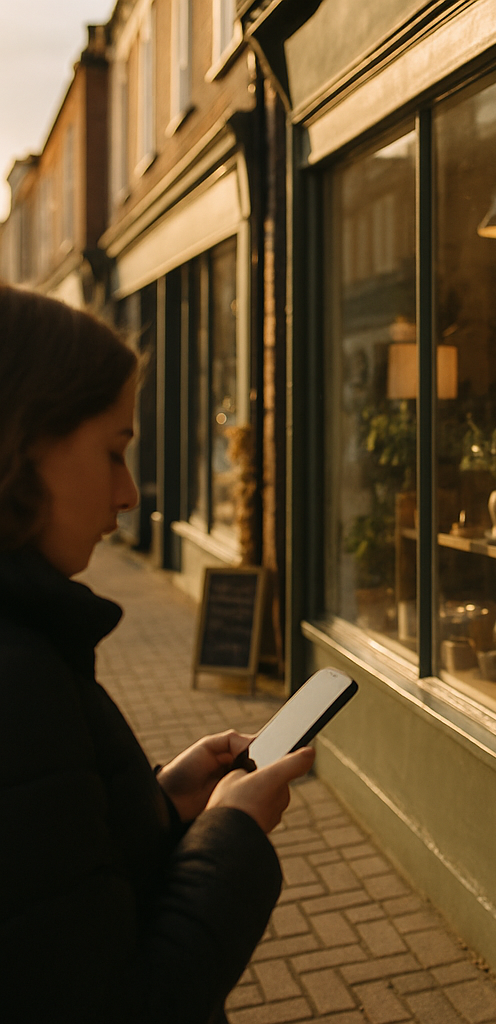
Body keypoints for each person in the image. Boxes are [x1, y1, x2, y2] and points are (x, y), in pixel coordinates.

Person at [0, 284, 315, 1023]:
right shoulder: (19, 683)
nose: (130, 493)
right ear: (23, 443)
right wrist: (231, 834)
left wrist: (163, 805)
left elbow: (55, 881)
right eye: (114, 452)